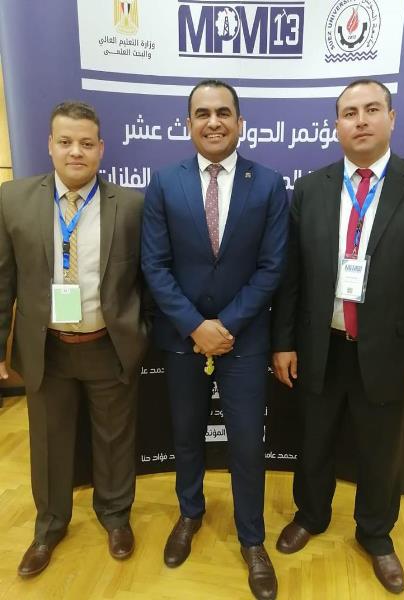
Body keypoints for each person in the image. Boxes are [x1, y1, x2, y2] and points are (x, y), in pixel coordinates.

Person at [271, 79, 404, 594]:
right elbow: (292, 276)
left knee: (381, 451)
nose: (361, 120)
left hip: (392, 352)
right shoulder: (312, 188)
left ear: (391, 118)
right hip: (320, 346)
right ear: (337, 126)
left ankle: (375, 534)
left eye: (372, 109)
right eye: (350, 113)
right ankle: (311, 515)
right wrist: (284, 342)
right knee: (314, 441)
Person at [141, 79, 288, 600]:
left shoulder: (268, 184)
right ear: (188, 124)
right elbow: (155, 266)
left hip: (243, 339)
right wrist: (195, 325)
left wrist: (225, 325)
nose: (213, 122)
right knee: (186, 434)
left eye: (223, 112)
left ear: (240, 122)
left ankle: (252, 540)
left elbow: (272, 266)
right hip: (183, 338)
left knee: (247, 442)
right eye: (202, 113)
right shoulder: (165, 183)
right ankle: (189, 514)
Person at [0, 101, 148, 577]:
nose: (76, 152)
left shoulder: (131, 206)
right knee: (49, 442)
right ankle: (48, 527)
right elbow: (3, 281)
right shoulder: (13, 200)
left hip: (109, 346)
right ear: (49, 145)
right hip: (47, 349)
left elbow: (147, 281)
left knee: (115, 440)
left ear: (101, 148)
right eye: (65, 142)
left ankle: (116, 517)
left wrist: (140, 335)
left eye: (86, 143)